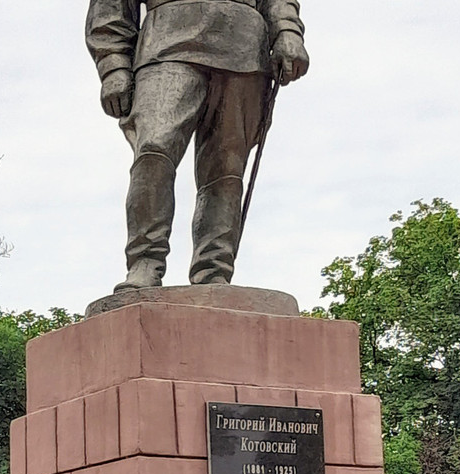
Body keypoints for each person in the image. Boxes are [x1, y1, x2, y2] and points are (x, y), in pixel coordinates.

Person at [86, 0, 309, 292]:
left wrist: (287, 30)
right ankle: (144, 263)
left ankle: (214, 272)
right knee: (153, 151)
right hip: (165, 46)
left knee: (226, 172)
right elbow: (111, 6)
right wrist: (113, 63)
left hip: (244, 51)